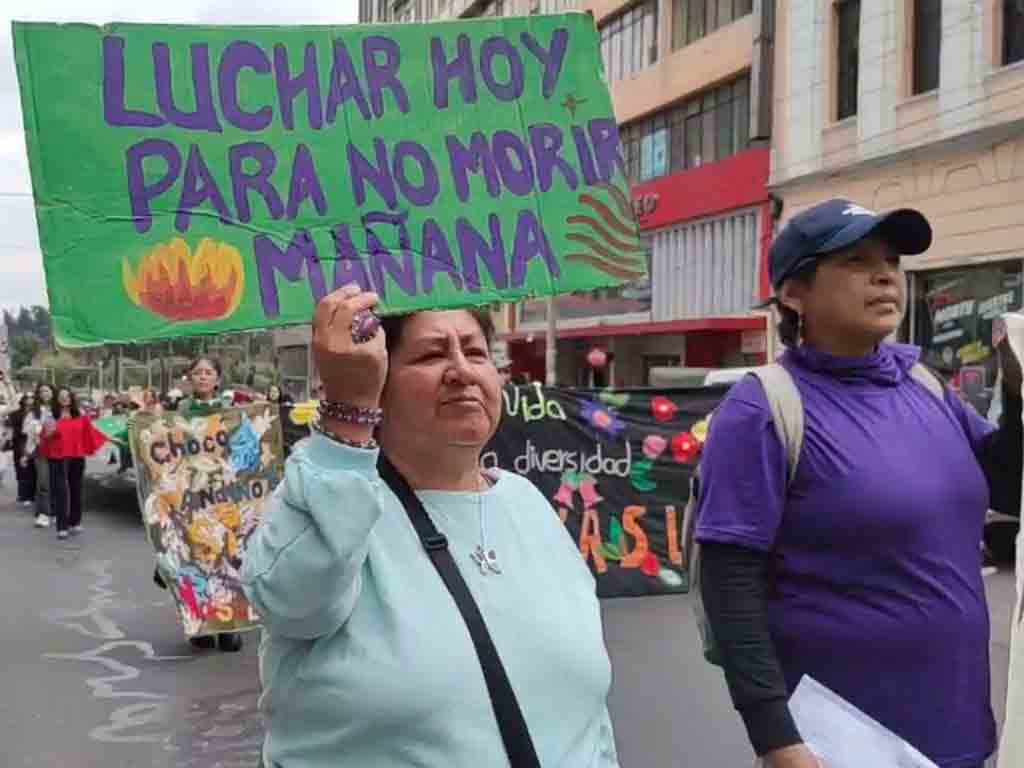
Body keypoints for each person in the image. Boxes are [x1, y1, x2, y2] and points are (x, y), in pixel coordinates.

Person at [695, 199, 1023, 768]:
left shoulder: (922, 383)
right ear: (794, 293)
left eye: (892, 261)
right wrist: (777, 741)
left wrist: (1019, 398)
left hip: (957, 730)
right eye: (855, 260)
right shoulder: (763, 408)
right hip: (842, 741)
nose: (884, 275)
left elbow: (1009, 488)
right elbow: (731, 589)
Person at [242, 285, 619, 767]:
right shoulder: (331, 499)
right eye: (431, 355)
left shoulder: (528, 506)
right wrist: (348, 419)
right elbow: (289, 600)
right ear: (379, 380)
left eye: (477, 352)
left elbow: (591, 720)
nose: (461, 371)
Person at [153, 356, 244, 653]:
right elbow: (159, 449)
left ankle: (230, 625)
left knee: (227, 559)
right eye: (197, 372)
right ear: (189, 378)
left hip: (223, 495)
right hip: (189, 497)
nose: (202, 377)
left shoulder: (231, 412)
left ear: (218, 379)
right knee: (192, 559)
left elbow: (247, 445)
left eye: (208, 372)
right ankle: (200, 622)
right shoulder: (177, 413)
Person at [40, 388, 107, 540]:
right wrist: (54, 430)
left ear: (71, 398)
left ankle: (75, 521)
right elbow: (45, 436)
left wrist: (110, 438)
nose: (65, 399)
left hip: (76, 456)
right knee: (61, 490)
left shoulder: (81, 414)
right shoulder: (51, 415)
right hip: (57, 456)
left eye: (67, 396)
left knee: (76, 488)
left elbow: (92, 432)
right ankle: (62, 527)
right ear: (57, 399)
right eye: (61, 397)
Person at [25, 384, 55, 528]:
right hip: (40, 450)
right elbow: (28, 434)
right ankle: (43, 514)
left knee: (58, 482)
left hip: (59, 450)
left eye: (47, 390)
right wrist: (26, 454)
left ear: (53, 392)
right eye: (41, 391)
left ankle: (56, 511)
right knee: (43, 482)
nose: (44, 393)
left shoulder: (59, 410)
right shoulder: (34, 412)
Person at [5, 393, 36, 506]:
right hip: (19, 443)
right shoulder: (14, 414)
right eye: (27, 398)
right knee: (20, 469)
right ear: (22, 400)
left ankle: (31, 495)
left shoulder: (37, 413)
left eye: (32, 397)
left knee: (32, 469)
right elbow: (9, 428)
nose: (30, 400)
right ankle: (23, 494)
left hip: (33, 443)